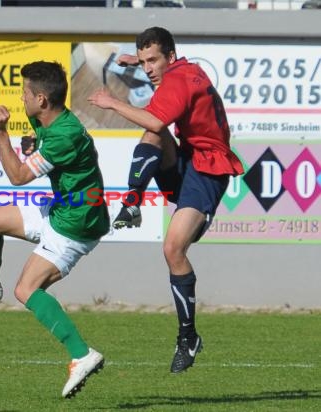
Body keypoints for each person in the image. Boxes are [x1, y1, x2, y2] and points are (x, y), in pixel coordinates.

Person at [0, 61, 110, 398]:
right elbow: (36, 144)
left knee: (26, 290)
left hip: (76, 225)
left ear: (42, 100)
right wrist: (31, 143)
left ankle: (82, 354)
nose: (21, 99)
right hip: (61, 208)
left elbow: (18, 177)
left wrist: (0, 132)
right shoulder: (46, 119)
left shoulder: (65, 134)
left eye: (25, 94)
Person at [88, 27, 244, 373]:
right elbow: (160, 101)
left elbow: (157, 118)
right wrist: (135, 62)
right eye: (143, 61)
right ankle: (132, 201)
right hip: (187, 160)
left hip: (207, 169)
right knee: (155, 134)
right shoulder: (180, 70)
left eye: (153, 60)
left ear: (171, 57)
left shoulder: (180, 80)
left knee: (173, 248)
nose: (148, 68)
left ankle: (188, 337)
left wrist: (113, 101)